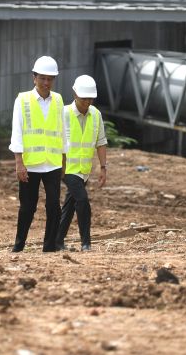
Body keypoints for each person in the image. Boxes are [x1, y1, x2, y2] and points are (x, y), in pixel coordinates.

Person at [9, 56, 66, 252]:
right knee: (27, 207)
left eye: (50, 79)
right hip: (30, 164)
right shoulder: (22, 99)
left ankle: (49, 246)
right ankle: (19, 245)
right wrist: (19, 162)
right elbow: (17, 131)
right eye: (42, 78)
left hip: (52, 162)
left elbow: (62, 130)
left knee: (53, 207)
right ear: (34, 78)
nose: (46, 82)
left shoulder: (58, 100)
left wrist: (63, 159)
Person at [56, 75, 107, 252]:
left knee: (70, 205)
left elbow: (101, 142)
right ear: (75, 93)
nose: (87, 101)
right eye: (84, 98)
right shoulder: (64, 113)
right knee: (82, 201)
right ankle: (86, 242)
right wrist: (59, 169)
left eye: (90, 98)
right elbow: (56, 141)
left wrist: (103, 167)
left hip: (84, 170)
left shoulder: (96, 115)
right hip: (67, 169)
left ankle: (58, 240)